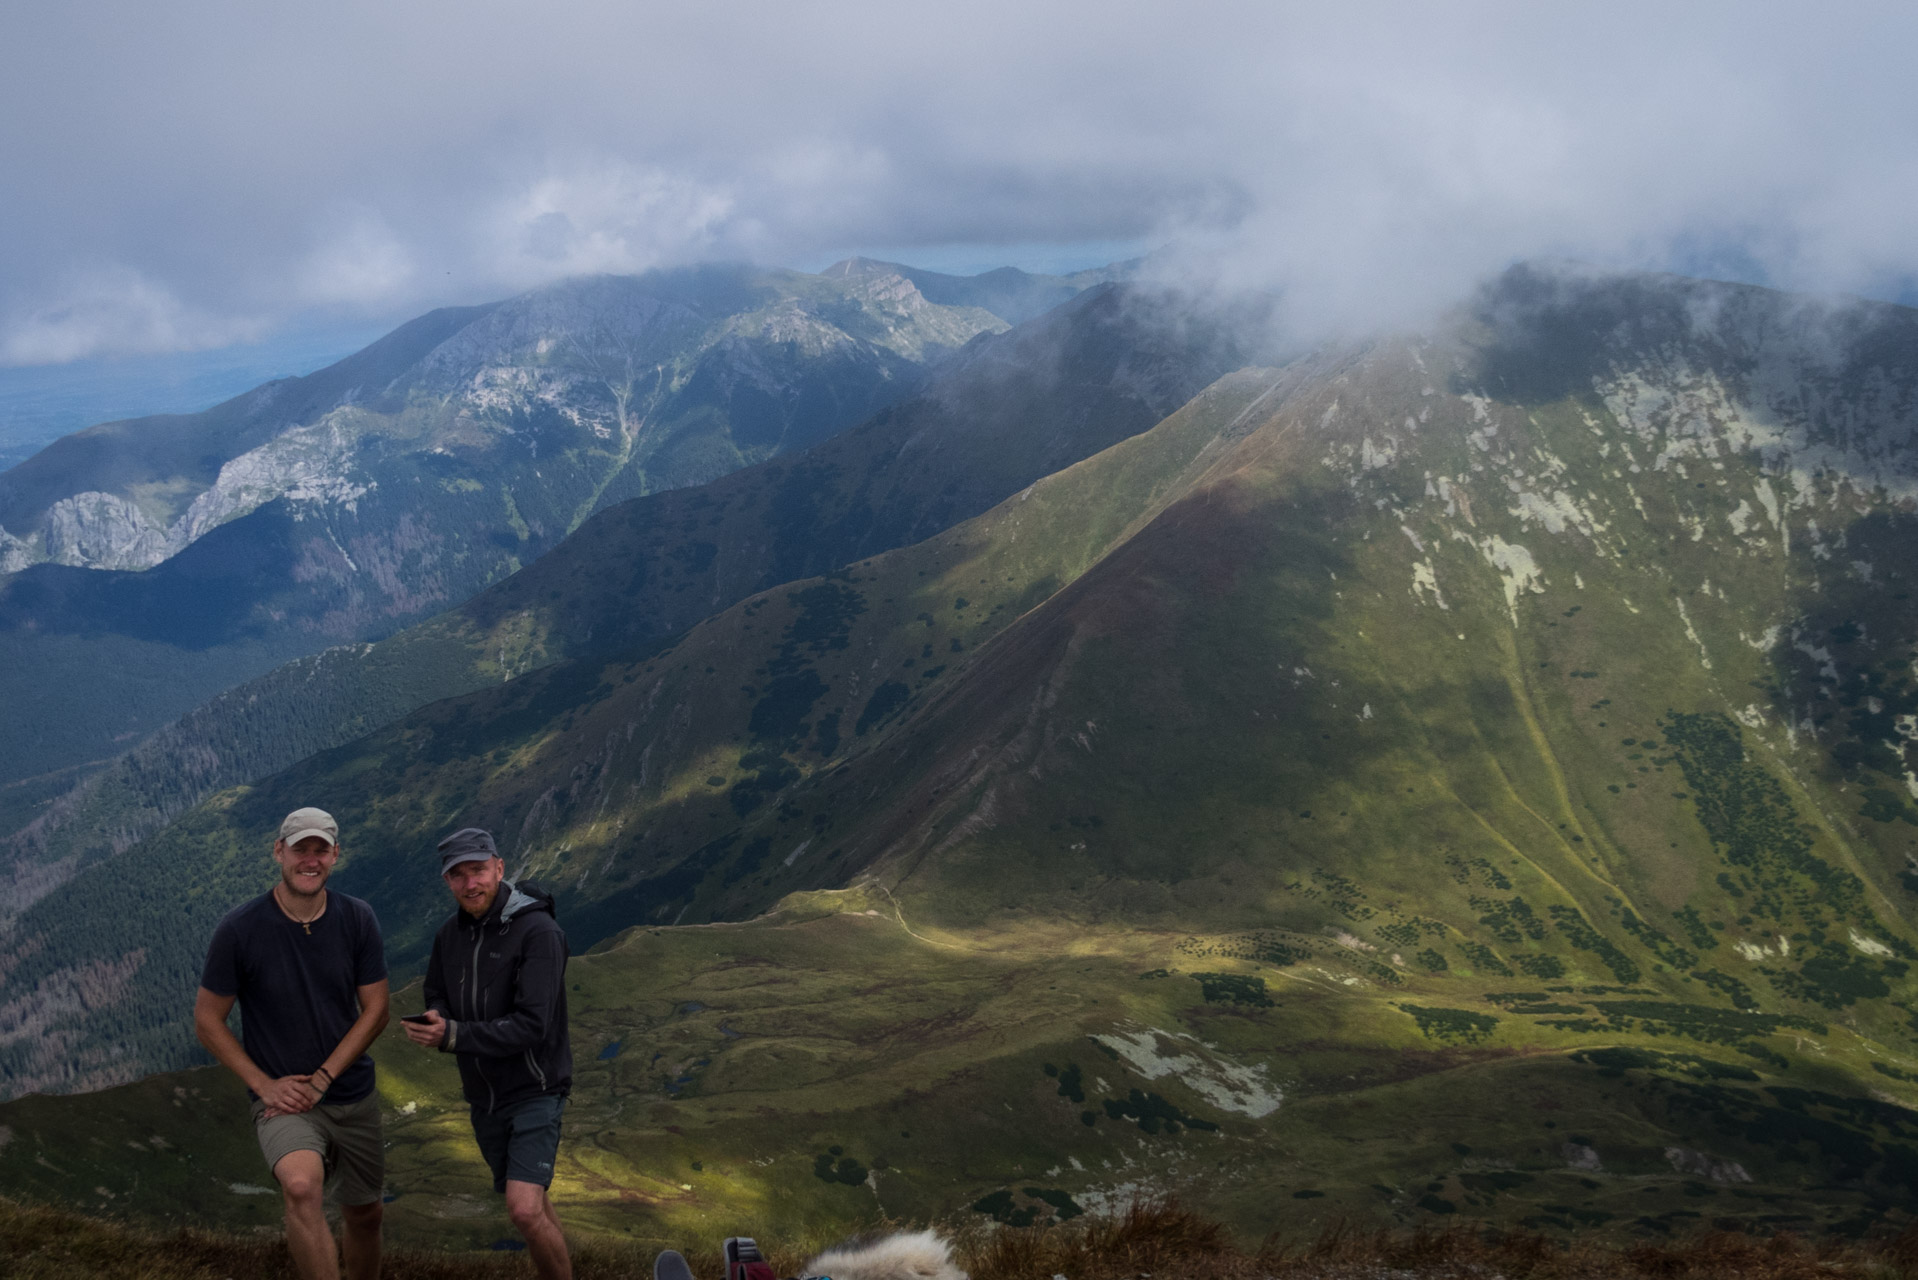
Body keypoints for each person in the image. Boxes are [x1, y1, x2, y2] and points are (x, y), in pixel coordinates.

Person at [194, 806, 390, 1280]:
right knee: (301, 1188)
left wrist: (325, 1077)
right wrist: (264, 1086)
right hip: (284, 1102)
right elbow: (207, 1018)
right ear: (278, 851)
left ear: (335, 855)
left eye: (320, 850)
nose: (310, 859)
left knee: (364, 1214)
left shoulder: (357, 919)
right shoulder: (240, 930)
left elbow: (377, 1009)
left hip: (351, 1094)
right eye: (300, 848)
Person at [403, 827, 573, 1279]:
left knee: (522, 1209)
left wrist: (454, 1036)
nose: (470, 883)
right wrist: (437, 1017)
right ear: (447, 882)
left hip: (535, 1087)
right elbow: (436, 990)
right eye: (458, 875)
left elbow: (533, 1025)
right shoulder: (449, 936)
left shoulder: (539, 932)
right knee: (531, 1203)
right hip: (484, 1095)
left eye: (478, 870)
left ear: (499, 867)